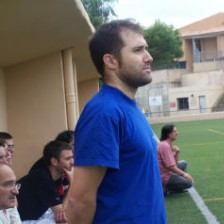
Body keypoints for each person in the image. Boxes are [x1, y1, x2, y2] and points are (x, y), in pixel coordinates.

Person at [65, 19, 166, 223]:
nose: (149, 57)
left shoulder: (130, 107)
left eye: (146, 49)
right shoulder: (104, 112)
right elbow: (79, 200)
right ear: (110, 61)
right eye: (138, 51)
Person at [17, 140, 73, 223]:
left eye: (73, 157)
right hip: (20, 220)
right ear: (54, 161)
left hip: (37, 215)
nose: (72, 162)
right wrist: (72, 184)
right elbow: (62, 215)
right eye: (68, 159)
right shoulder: (42, 178)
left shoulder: (54, 173)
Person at [157, 124, 193, 194]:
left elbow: (174, 164)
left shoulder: (167, 144)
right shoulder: (165, 146)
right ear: (168, 134)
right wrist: (184, 174)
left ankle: (177, 186)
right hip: (164, 175)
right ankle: (167, 188)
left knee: (183, 163)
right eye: (174, 131)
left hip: (166, 170)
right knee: (189, 182)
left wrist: (177, 153)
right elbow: (171, 167)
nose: (177, 133)